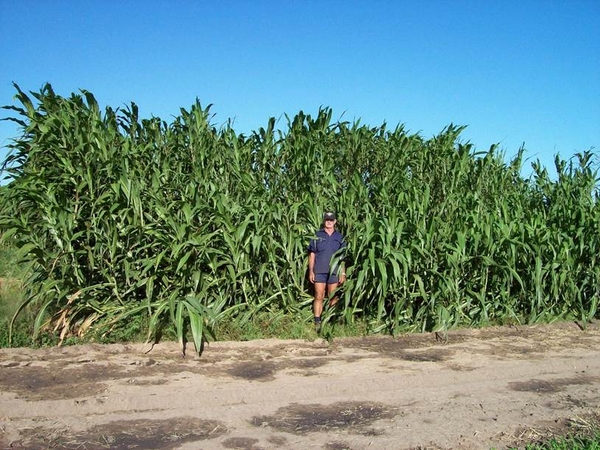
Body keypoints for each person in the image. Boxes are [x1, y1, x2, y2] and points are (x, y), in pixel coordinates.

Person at [307, 211, 346, 331]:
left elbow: (342, 257)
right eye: (326, 220)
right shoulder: (317, 235)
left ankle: (331, 321)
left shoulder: (339, 237)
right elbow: (312, 254)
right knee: (319, 295)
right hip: (319, 270)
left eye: (331, 220)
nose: (329, 222)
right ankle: (317, 322)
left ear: (335, 221)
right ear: (324, 221)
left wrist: (343, 272)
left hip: (335, 271)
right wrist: (311, 271)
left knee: (332, 296)